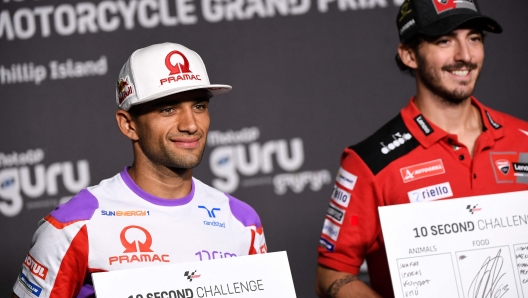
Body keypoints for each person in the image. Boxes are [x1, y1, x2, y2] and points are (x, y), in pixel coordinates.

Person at [12, 43, 267, 298]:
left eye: (199, 106)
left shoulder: (242, 222)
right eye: (168, 109)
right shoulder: (75, 225)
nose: (191, 125)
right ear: (128, 125)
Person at [315, 0, 528, 297]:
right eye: (444, 40)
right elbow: (331, 273)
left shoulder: (524, 139)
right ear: (409, 55)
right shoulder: (369, 162)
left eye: (474, 39)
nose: (465, 55)